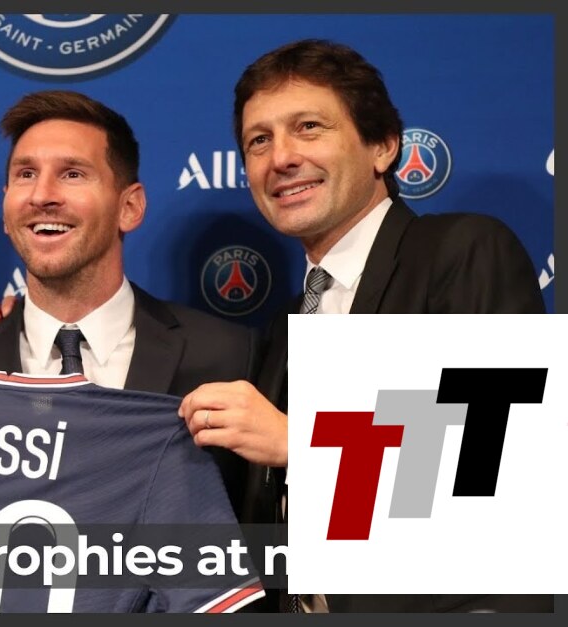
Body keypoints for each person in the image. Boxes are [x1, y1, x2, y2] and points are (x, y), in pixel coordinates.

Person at [185, 38, 547, 613]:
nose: (281, 158)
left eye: (308, 127)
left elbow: (494, 459)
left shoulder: (461, 251)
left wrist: (300, 444)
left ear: (382, 146)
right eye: (259, 140)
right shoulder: (285, 326)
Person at [0, 90, 260, 518]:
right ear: (6, 207)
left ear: (129, 207)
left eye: (72, 174)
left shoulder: (229, 355)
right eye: (26, 174)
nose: (41, 194)